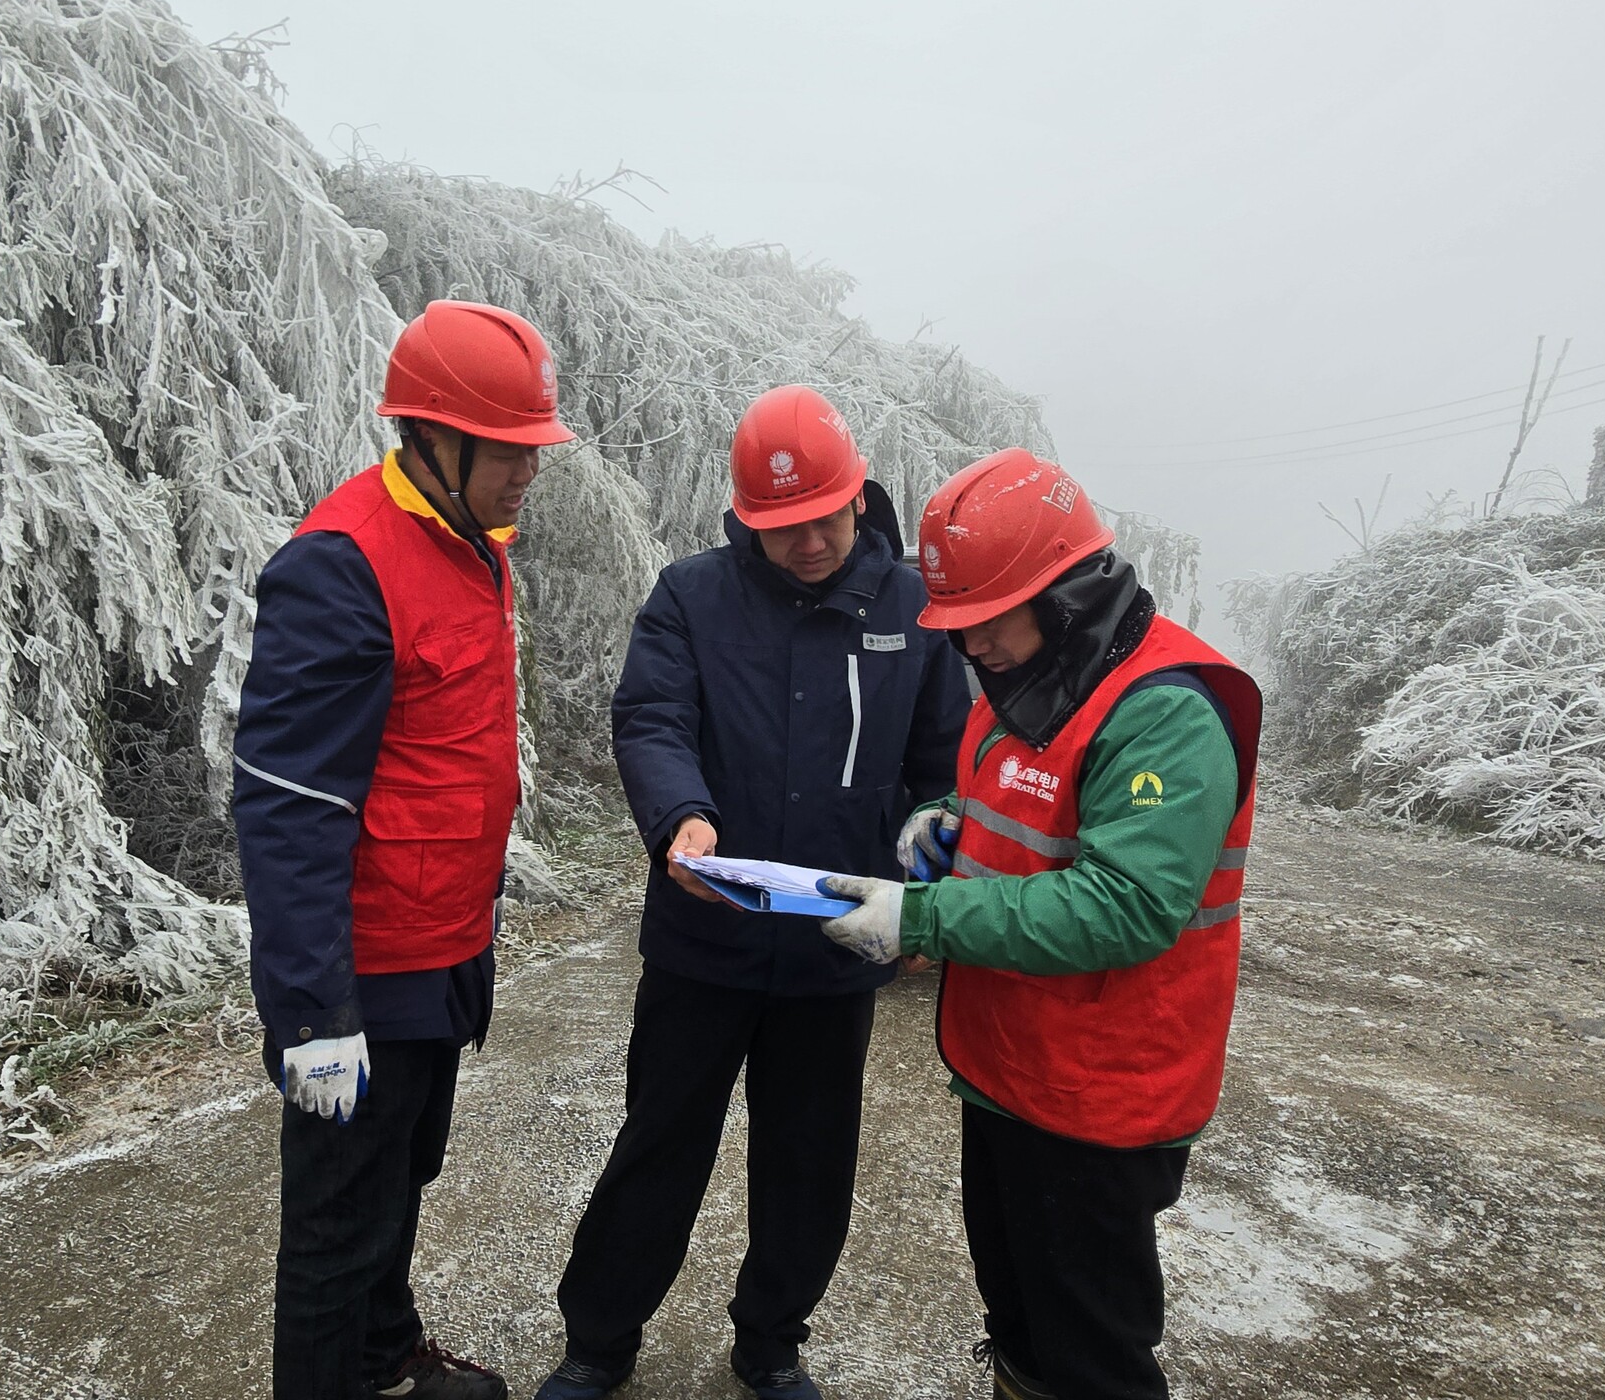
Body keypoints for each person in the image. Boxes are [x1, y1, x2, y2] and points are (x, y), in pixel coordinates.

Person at [533, 386, 972, 1400]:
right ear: (743, 519)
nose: (808, 541)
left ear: (858, 498)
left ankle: (772, 1343)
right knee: (660, 1144)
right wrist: (678, 815)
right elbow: (651, 716)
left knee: (809, 1162)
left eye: (824, 516)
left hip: (834, 942)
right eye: (780, 527)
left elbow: (946, 759)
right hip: (705, 937)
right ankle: (598, 1341)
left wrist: (927, 846)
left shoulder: (912, 609)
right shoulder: (691, 596)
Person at [817, 450, 1262, 1400]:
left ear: (1063, 592)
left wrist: (921, 917)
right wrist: (943, 822)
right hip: (1007, 1072)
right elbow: (1016, 806)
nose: (967, 648)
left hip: (1102, 1094)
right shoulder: (1029, 680)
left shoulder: (1167, 712)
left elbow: (1126, 903)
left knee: (1091, 1353)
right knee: (1019, 1319)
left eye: (983, 622)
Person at [233, 300, 575, 1400]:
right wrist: (312, 1017)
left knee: (399, 1180)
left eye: (535, 450)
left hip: (440, 952)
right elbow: (288, 808)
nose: (528, 472)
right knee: (335, 1228)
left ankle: (385, 1362)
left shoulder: (472, 544)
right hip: (364, 975)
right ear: (432, 437)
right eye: (511, 451)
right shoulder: (343, 564)